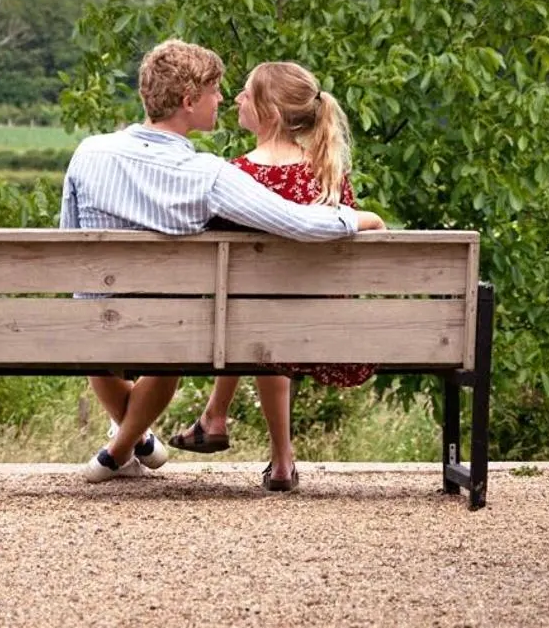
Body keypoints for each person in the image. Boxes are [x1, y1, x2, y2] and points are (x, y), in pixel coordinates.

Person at [59, 40, 385, 483]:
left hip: (93, 324)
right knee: (171, 339)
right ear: (190, 101)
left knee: (103, 320)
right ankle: (122, 448)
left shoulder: (89, 152)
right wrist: (360, 218)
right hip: (169, 335)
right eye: (215, 90)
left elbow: (68, 242)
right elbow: (300, 224)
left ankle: (126, 445)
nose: (223, 98)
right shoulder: (209, 175)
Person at [165, 61, 375, 491]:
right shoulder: (328, 174)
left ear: (270, 114)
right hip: (324, 320)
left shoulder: (235, 175)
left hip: (252, 325)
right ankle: (266, 450)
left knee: (254, 308)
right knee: (267, 307)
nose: (237, 99)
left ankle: (230, 427)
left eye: (245, 93)